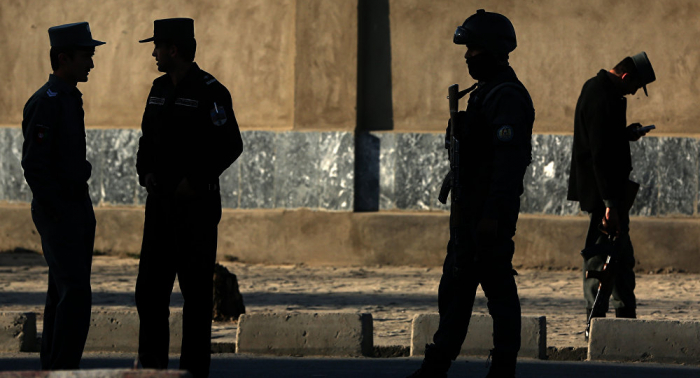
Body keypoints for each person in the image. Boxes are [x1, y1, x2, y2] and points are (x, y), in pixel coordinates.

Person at [407, 9, 535, 378]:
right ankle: (437, 363)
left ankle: (502, 365)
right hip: (471, 210)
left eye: (474, 50)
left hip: (488, 212)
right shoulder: (484, 93)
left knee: (497, 291)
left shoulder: (506, 96)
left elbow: (509, 165)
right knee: (455, 289)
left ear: (493, 51)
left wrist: (492, 215)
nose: (467, 57)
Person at [134, 18, 243, 378]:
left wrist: (193, 182)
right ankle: (152, 369)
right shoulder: (158, 89)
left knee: (196, 299)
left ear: (174, 50)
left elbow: (231, 145)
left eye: (158, 47)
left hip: (196, 209)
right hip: (160, 207)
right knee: (149, 293)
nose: (154, 53)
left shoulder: (211, 91)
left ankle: (193, 372)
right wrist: (145, 171)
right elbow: (146, 139)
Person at [21, 22, 105, 370]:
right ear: (63, 58)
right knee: (75, 294)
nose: (91, 64)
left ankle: (54, 366)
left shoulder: (70, 97)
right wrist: (55, 208)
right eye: (86, 56)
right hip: (60, 209)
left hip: (75, 205)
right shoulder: (47, 102)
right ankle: (64, 367)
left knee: (62, 291)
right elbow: (34, 164)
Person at [567, 52, 656, 324]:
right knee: (599, 257)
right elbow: (600, 154)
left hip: (611, 194)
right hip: (603, 195)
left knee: (619, 257)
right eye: (634, 87)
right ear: (626, 76)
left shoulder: (604, 92)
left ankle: (624, 317)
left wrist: (626, 134)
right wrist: (609, 204)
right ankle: (596, 321)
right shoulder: (600, 95)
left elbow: (605, 138)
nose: (633, 93)